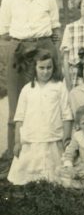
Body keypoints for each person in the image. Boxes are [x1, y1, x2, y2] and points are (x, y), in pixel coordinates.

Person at [0, 0, 61, 176]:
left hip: (43, 46)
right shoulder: (8, 1)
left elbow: (55, 29)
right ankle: (11, 157)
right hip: (18, 48)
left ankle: (51, 156)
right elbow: (4, 32)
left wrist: (43, 46)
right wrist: (20, 45)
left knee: (48, 98)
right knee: (17, 104)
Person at [7, 48, 73, 185]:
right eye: (41, 68)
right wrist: (18, 142)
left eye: (49, 67)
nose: (45, 71)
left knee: (56, 179)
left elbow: (67, 115)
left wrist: (66, 139)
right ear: (35, 68)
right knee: (26, 179)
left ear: (54, 68)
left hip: (53, 137)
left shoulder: (59, 87)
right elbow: (19, 118)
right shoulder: (27, 89)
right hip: (31, 139)